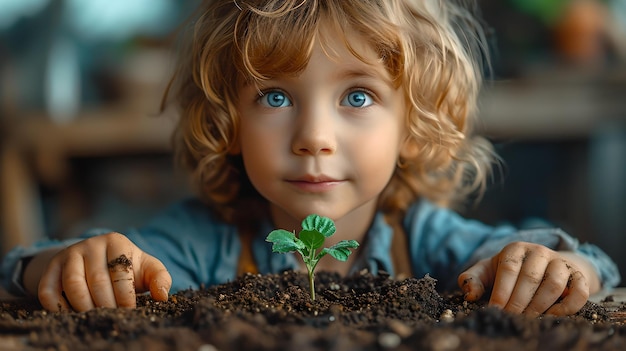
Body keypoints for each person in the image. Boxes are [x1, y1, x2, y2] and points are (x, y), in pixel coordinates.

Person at [1, 0, 620, 315]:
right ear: (230, 122)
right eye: (274, 95)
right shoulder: (201, 244)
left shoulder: (428, 242)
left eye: (358, 95)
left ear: (411, 124)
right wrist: (70, 264)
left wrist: (556, 270)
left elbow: (580, 265)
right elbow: (28, 267)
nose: (314, 136)